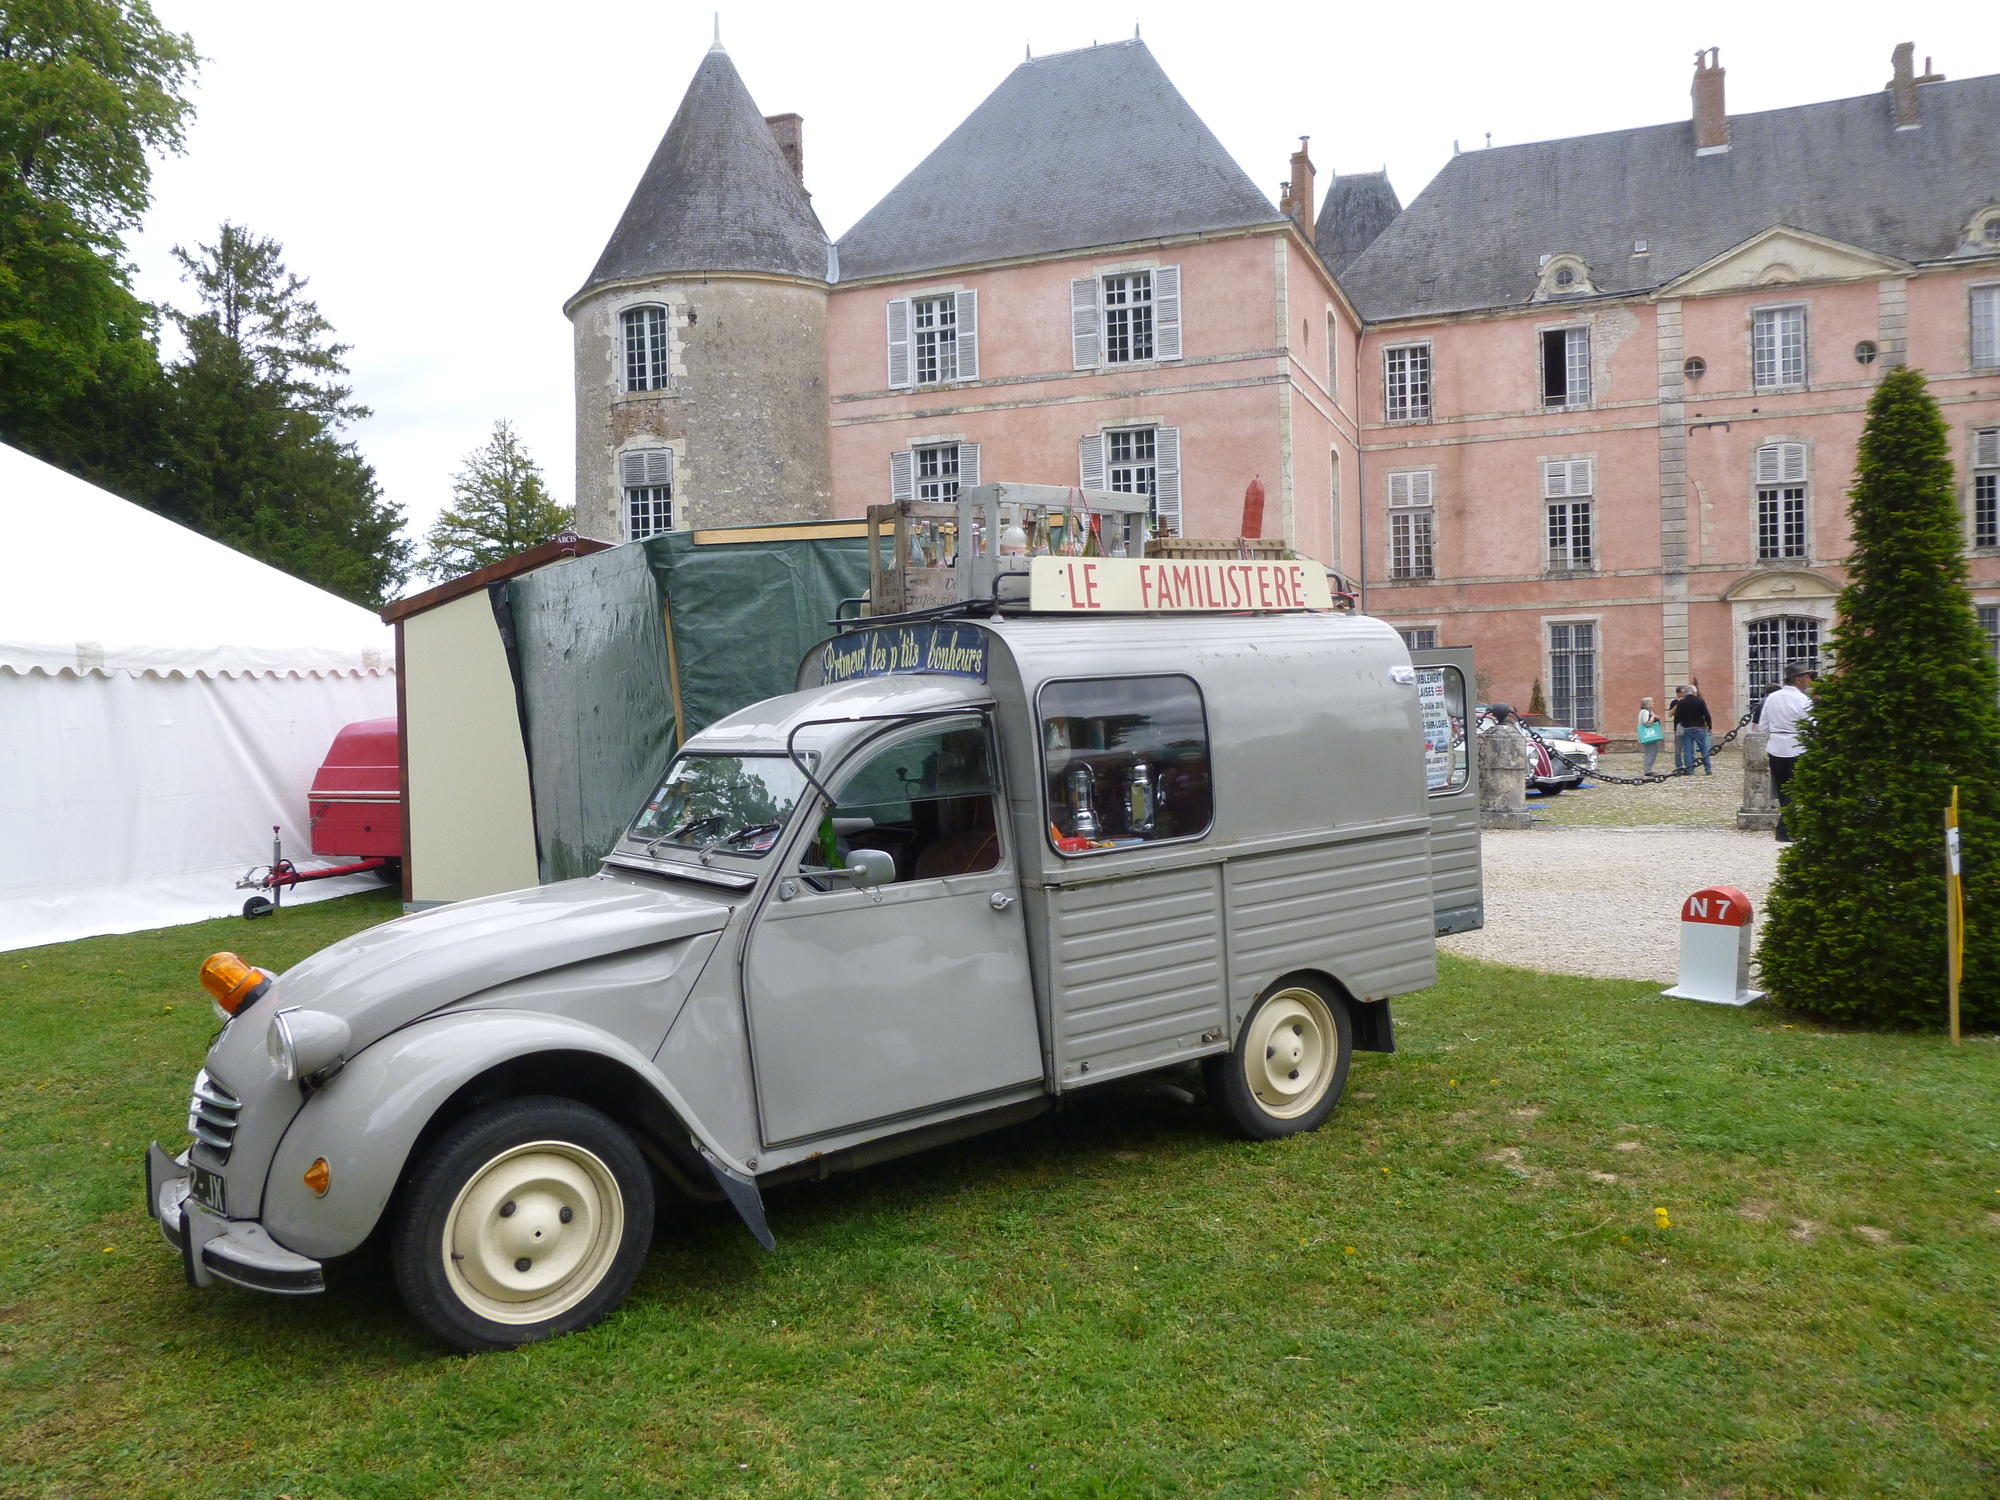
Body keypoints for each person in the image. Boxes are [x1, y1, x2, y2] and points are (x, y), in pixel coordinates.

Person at [1758, 661, 1816, 842]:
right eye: (1807, 677)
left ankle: (1787, 827)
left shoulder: (1772, 698)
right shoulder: (1803, 700)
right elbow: (1813, 725)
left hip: (1775, 746)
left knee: (1783, 791)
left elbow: (1762, 727)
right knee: (1794, 791)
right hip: (1797, 746)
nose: (1810, 681)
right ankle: (1784, 830)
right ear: (1797, 679)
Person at [1671, 685, 1713, 775]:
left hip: (1687, 728)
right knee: (1704, 749)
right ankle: (1708, 769)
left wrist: (1678, 727)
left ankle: (1689, 769)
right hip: (1699, 728)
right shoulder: (1700, 701)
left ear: (1685, 693)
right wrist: (1710, 726)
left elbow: (1677, 717)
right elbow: (1707, 714)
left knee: (1688, 749)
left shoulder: (1681, 703)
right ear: (1694, 692)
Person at [1636, 697, 1665, 775]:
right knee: (1651, 752)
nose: (1653, 704)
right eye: (1651, 703)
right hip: (1649, 735)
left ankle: (1649, 768)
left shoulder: (1646, 712)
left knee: (1653, 751)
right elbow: (1647, 723)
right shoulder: (1645, 712)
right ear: (1647, 704)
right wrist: (1653, 717)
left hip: (1649, 735)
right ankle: (1648, 770)